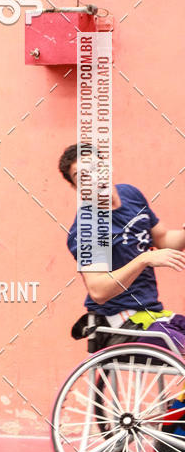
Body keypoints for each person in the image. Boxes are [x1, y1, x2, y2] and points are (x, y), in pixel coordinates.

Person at [59, 143, 185, 345]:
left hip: (152, 314)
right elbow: (98, 291)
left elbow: (165, 240)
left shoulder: (131, 195)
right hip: (119, 322)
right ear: (77, 188)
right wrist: (143, 259)